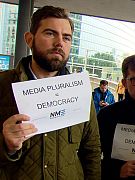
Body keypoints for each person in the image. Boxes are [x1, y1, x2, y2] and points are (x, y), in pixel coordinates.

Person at [0, 6, 101, 179]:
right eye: (50, 33)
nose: (59, 43)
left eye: (66, 37)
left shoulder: (80, 91)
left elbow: (91, 151)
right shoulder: (3, 85)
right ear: (29, 39)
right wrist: (5, 145)